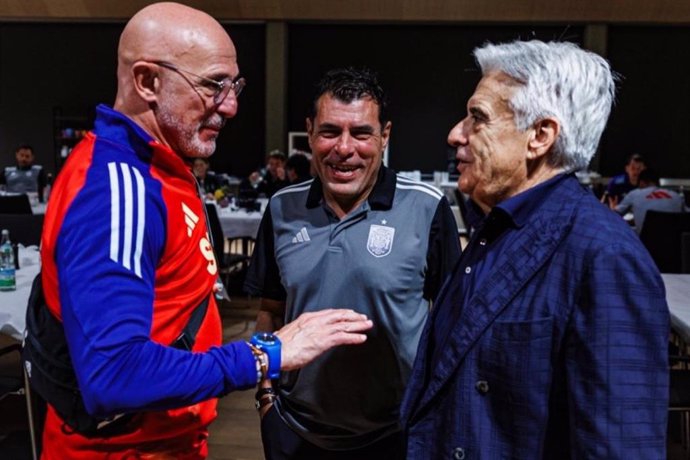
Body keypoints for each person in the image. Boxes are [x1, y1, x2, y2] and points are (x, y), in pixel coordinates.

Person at [38, 3, 373, 458]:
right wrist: (264, 355)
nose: (231, 105)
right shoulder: (119, 189)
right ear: (147, 81)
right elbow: (114, 375)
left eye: (235, 85)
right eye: (214, 84)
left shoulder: (156, 170)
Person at [400, 40, 669, 459]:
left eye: (478, 118)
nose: (456, 134)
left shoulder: (604, 256)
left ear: (540, 136)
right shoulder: (497, 229)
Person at [244, 67, 461, 460]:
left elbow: (454, 326)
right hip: (294, 431)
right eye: (330, 132)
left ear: (385, 136)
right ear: (310, 133)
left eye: (361, 133)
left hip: (395, 434)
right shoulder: (281, 208)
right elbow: (270, 313)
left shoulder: (427, 207)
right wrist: (265, 401)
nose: (344, 148)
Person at [611, 167, 688, 232]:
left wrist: (611, 209)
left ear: (641, 182)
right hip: (674, 245)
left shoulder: (635, 193)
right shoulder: (676, 196)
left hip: (645, 245)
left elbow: (614, 215)